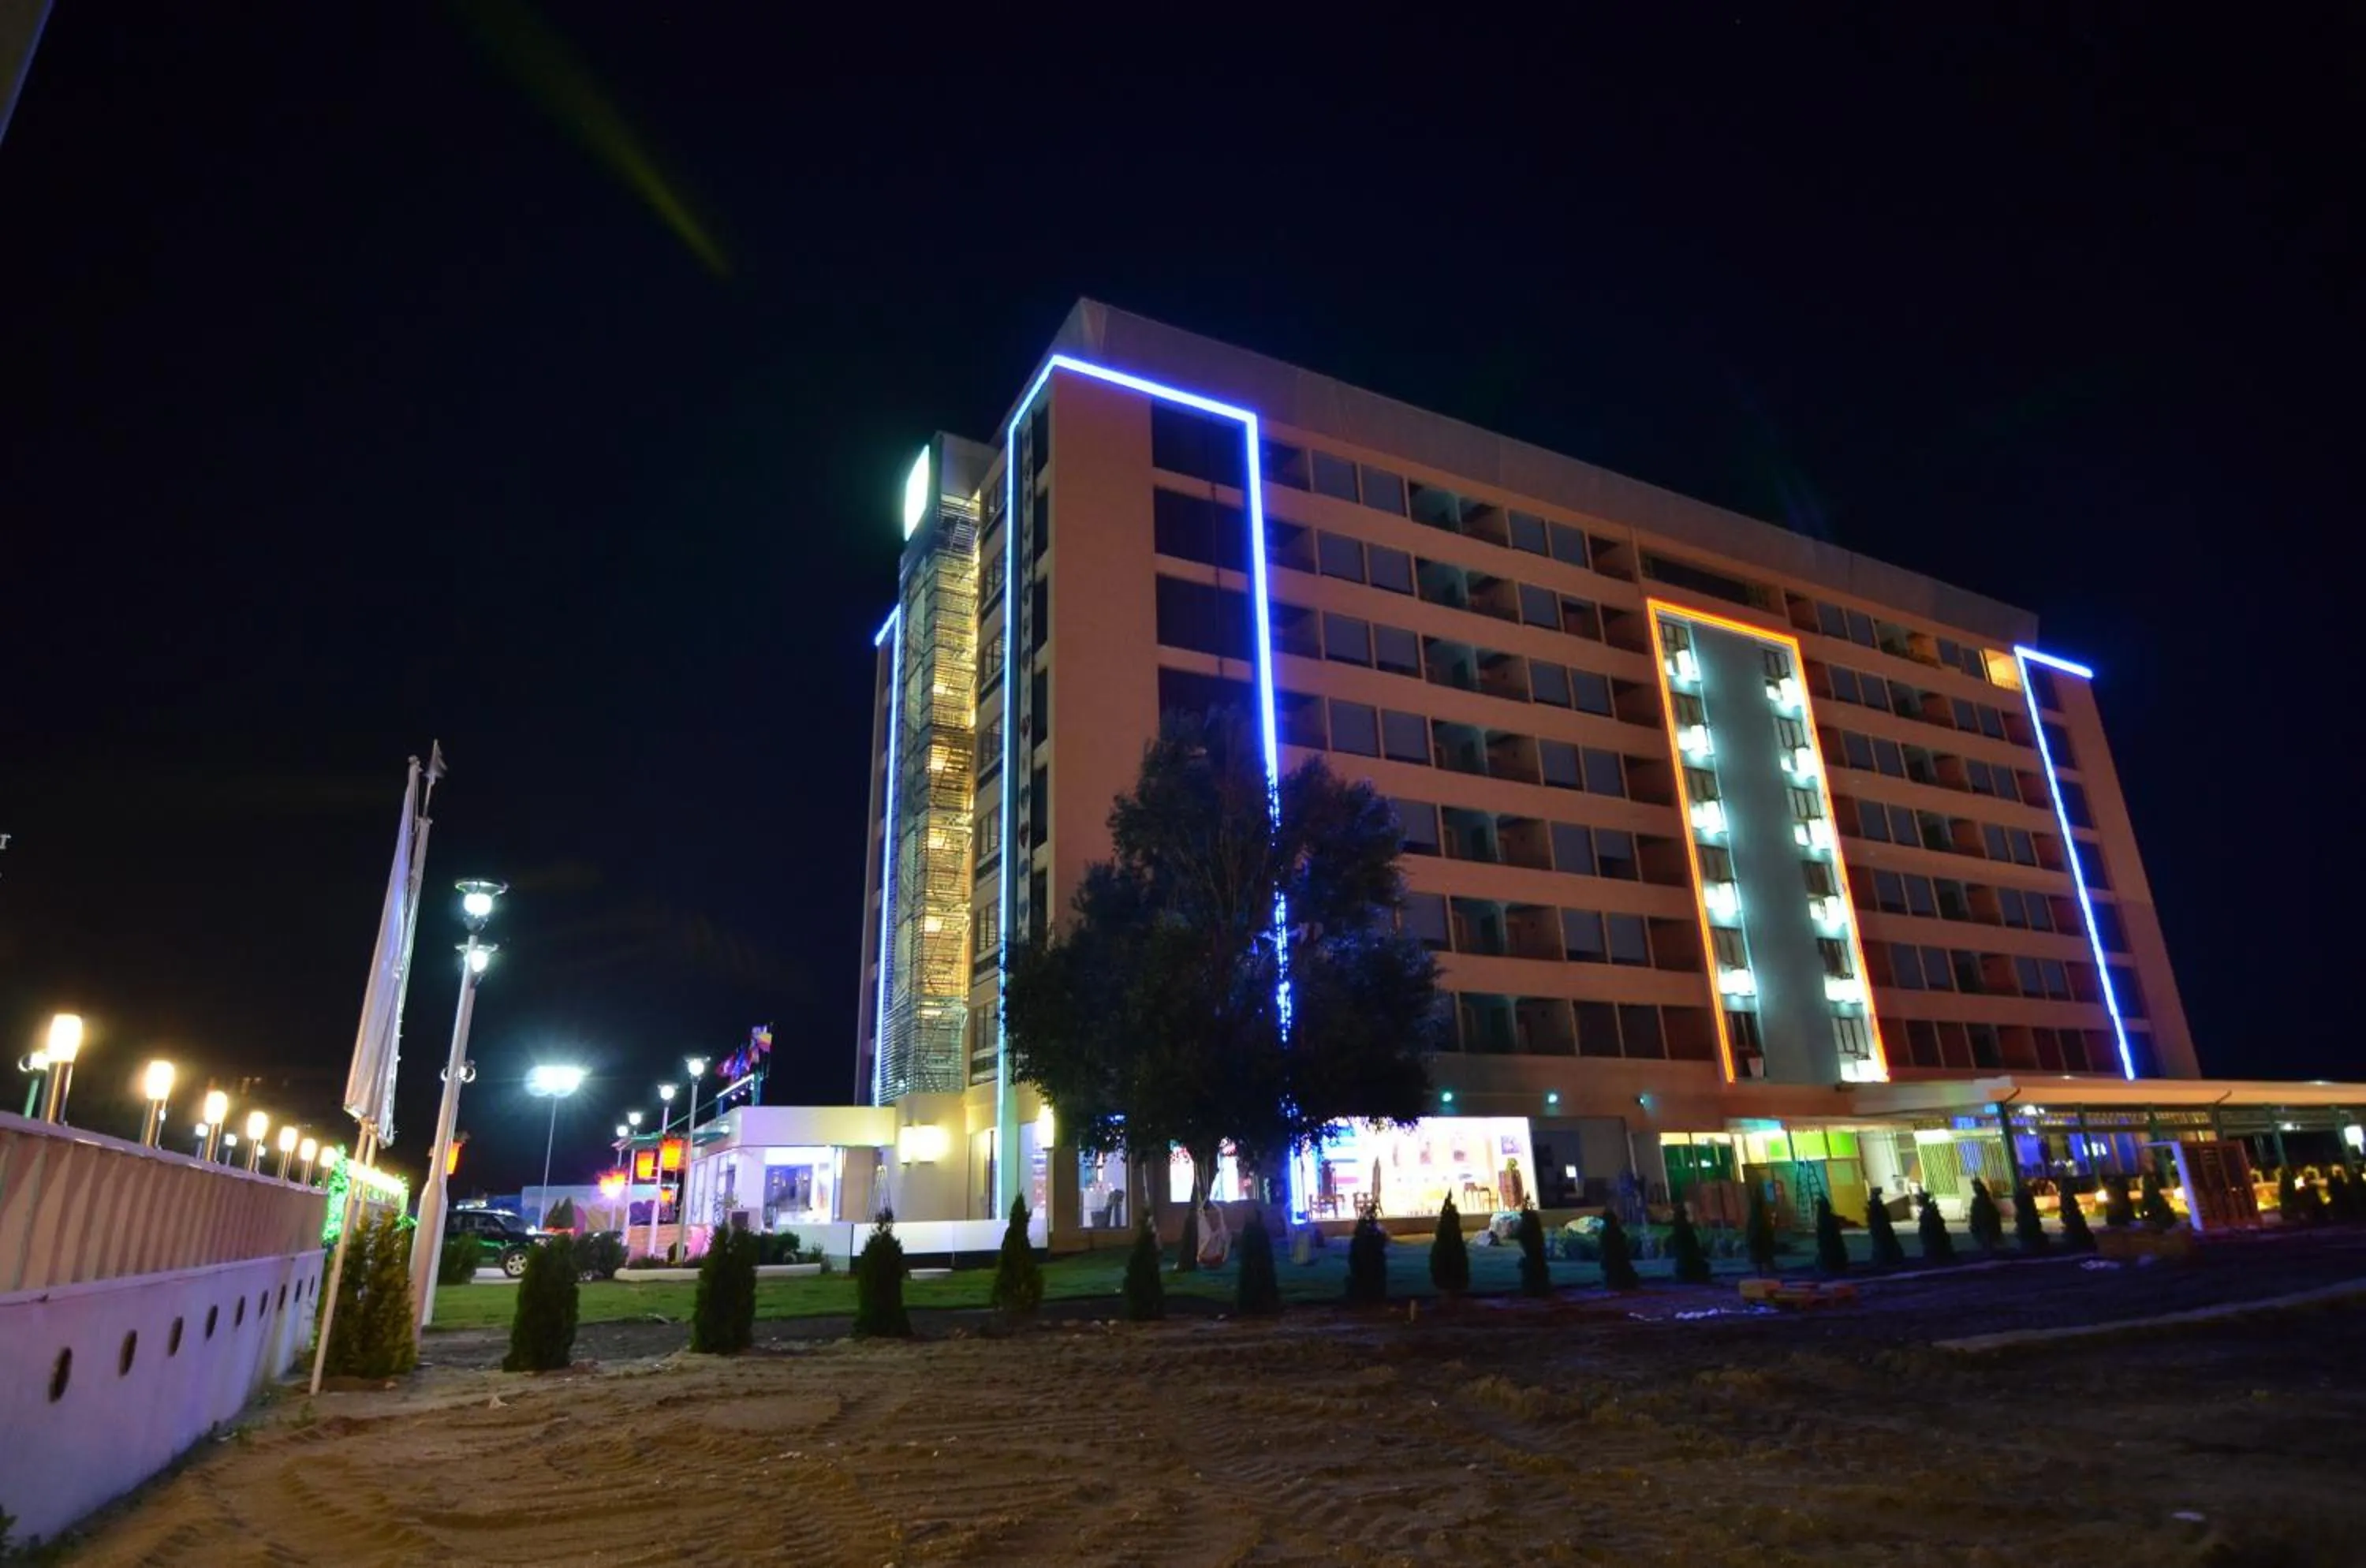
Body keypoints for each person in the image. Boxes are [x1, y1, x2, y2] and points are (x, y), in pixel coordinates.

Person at [1197, 1200, 1232, 1267]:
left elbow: (1226, 1240)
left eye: (1214, 1216)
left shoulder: (1222, 1231)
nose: (1212, 1218)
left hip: (1216, 1259)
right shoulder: (1203, 1229)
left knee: (1226, 1235)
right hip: (1204, 1259)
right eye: (1209, 1216)